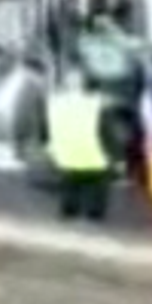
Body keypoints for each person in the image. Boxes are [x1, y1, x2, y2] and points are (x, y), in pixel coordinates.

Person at [44, 73, 117, 223]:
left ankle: (69, 209)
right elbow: (108, 134)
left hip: (66, 156)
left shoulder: (58, 102)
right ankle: (93, 212)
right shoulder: (98, 106)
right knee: (98, 181)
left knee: (70, 181)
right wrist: (115, 156)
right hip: (92, 157)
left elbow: (47, 129)